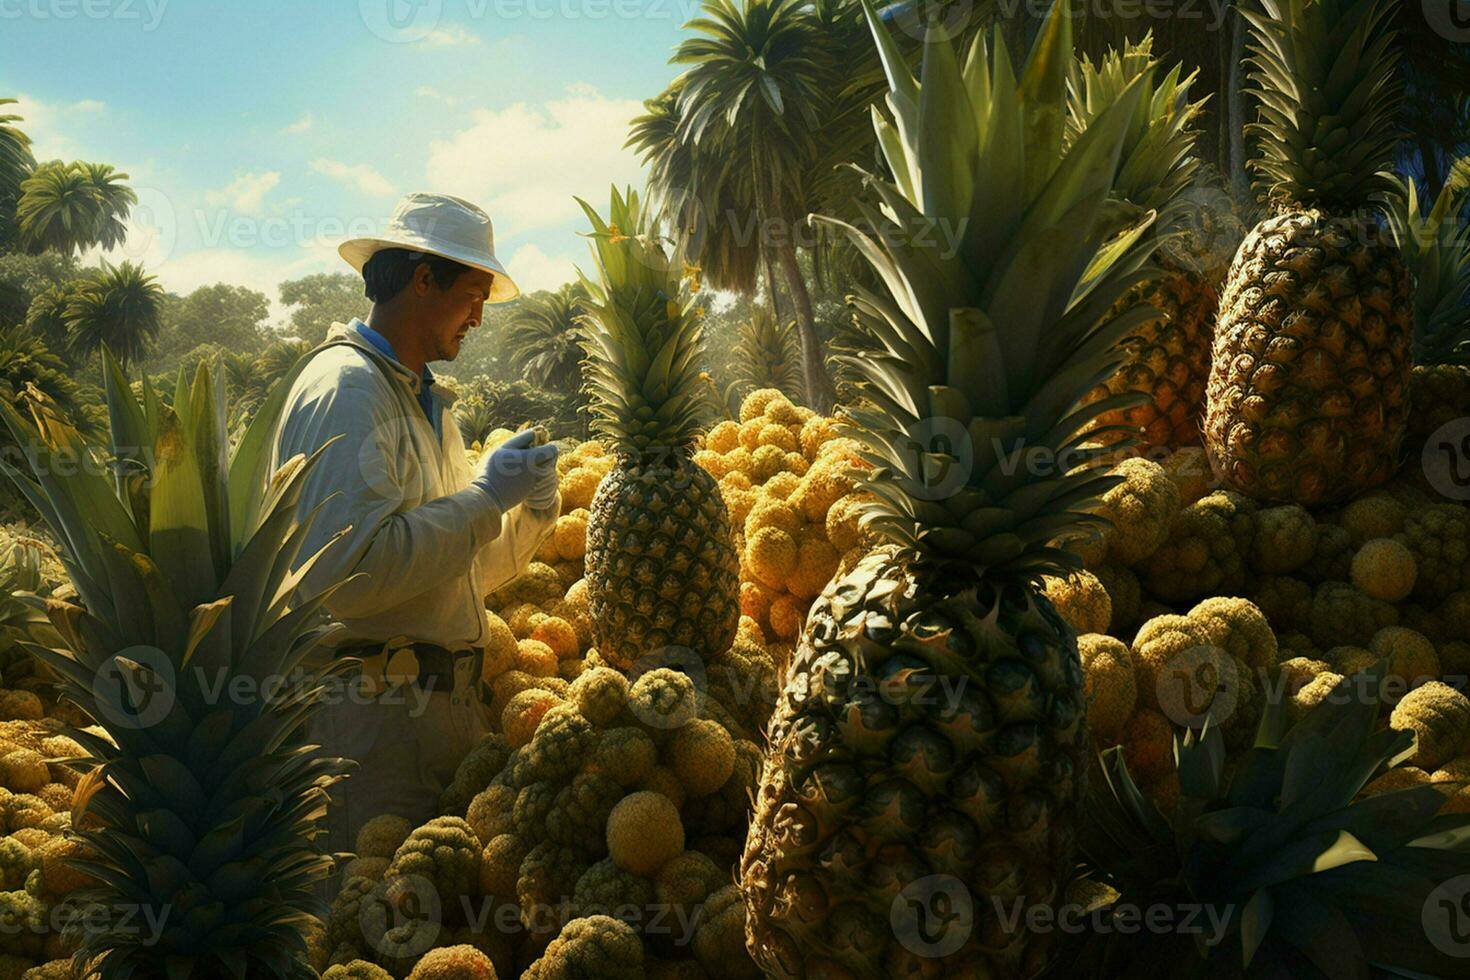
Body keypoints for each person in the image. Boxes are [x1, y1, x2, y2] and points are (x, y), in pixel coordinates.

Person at [270, 192, 560, 853]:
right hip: (371, 738)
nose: (479, 318)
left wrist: (529, 513)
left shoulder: (425, 401)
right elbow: (349, 575)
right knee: (375, 932)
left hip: (439, 721)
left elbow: (449, 574)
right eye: (473, 294)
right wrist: (487, 497)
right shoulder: (347, 389)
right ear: (423, 279)